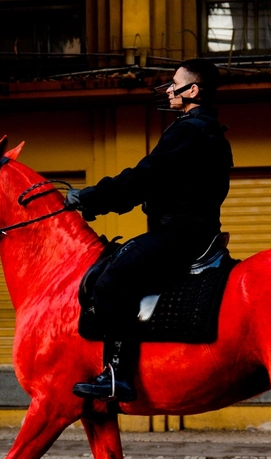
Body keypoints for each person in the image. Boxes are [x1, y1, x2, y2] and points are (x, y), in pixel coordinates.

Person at [64, 58, 233, 402]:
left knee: (111, 281)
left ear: (193, 90)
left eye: (175, 83)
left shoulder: (188, 130)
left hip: (178, 236)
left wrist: (90, 199)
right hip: (196, 232)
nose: (170, 89)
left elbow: (143, 178)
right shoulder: (210, 131)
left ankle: (118, 377)